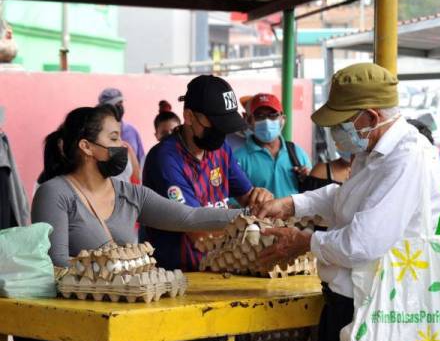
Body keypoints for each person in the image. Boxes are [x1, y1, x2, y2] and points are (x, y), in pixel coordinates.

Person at [13, 105, 244, 341]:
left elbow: (189, 216)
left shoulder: (129, 194)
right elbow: (56, 266)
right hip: (75, 331)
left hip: (126, 324)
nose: (124, 147)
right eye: (114, 138)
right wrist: (111, 270)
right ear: (87, 147)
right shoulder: (55, 193)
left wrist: (249, 216)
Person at [254, 63, 439, 341]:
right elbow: (342, 200)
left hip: (380, 312)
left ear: (370, 116)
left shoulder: (406, 157)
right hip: (347, 304)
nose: (336, 133)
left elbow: (362, 243)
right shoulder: (372, 152)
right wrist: (291, 204)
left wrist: (304, 242)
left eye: (342, 122)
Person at [142, 75, 272, 272]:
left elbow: (249, 199)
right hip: (179, 276)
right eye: (215, 124)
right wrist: (250, 219)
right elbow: (199, 232)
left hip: (221, 271)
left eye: (225, 126)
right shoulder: (165, 159)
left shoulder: (221, 150)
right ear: (189, 116)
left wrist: (262, 199)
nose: (221, 133)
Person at [235, 93, 312, 198]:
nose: (267, 121)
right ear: (248, 120)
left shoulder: (298, 154)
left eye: (273, 115)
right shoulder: (238, 159)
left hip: (294, 214)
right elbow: (233, 204)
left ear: (282, 119)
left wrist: (309, 179)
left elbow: (311, 196)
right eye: (259, 116)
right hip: (257, 215)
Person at [98, 87, 145, 165]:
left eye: (120, 103)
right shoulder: (97, 132)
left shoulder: (131, 130)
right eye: (115, 104)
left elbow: (141, 158)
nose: (119, 107)